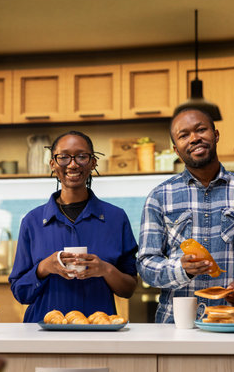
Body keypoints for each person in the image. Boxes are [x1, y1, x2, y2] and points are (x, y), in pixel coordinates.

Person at [136, 107, 234, 323]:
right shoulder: (159, 197)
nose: (194, 138)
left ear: (216, 135)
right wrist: (180, 269)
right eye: (184, 135)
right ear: (176, 150)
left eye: (200, 129)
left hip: (233, 322)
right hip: (176, 325)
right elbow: (146, 263)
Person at [9, 130, 138, 322]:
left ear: (93, 162)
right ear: (52, 163)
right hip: (42, 333)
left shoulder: (115, 218)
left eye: (81, 156)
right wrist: (44, 267)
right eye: (63, 157)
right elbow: (20, 293)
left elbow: (128, 289)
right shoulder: (33, 221)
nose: (73, 164)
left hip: (98, 332)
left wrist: (105, 269)